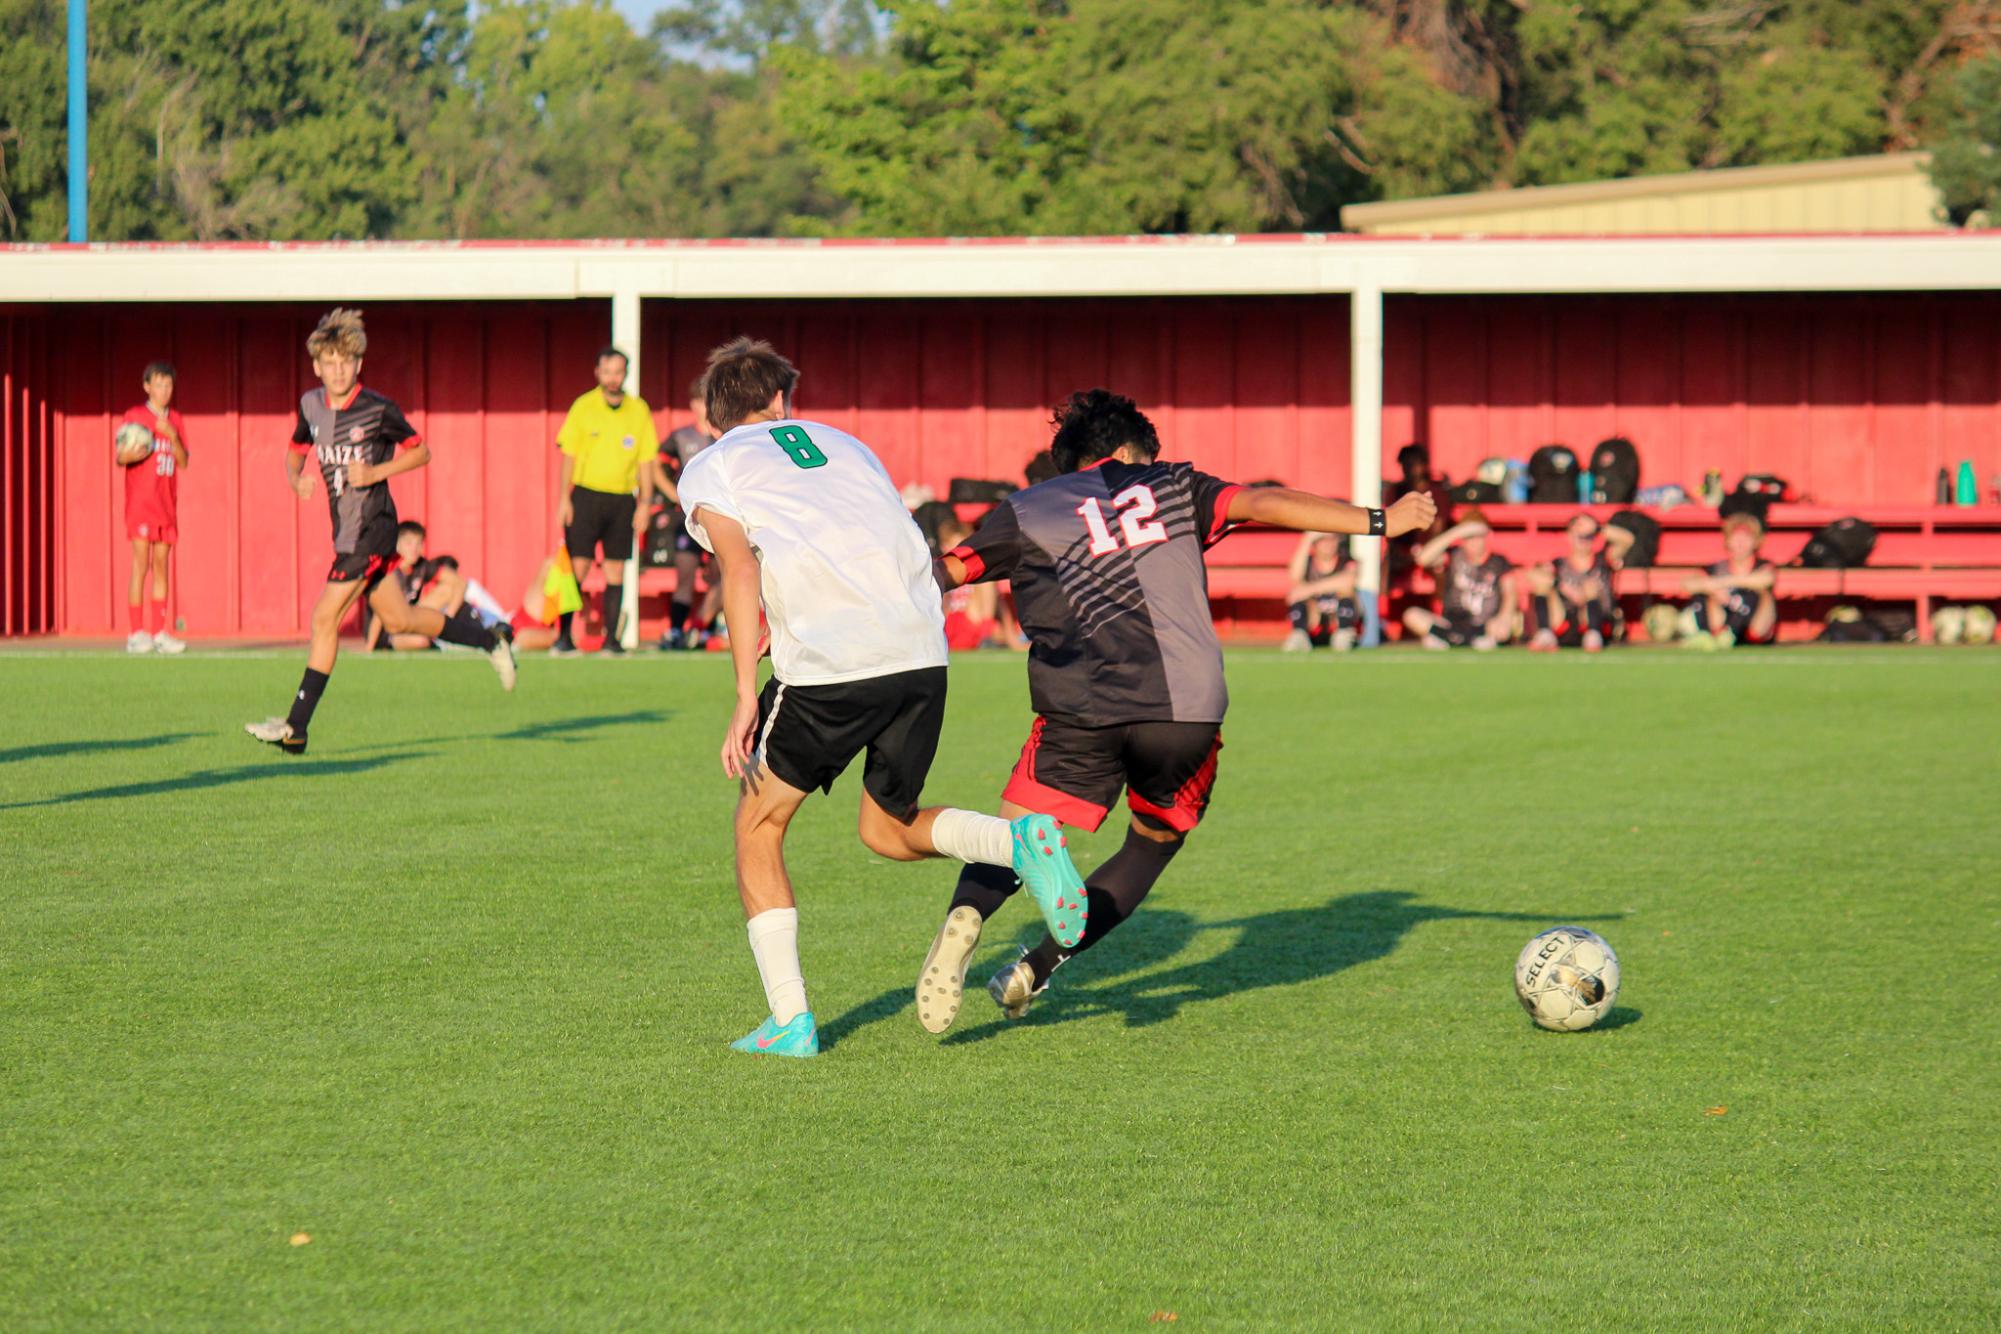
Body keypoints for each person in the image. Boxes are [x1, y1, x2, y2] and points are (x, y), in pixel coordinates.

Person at [919, 389, 1436, 1033]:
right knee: (1154, 841)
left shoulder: (1027, 508)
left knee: (1015, 835)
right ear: (1130, 451)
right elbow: (1264, 501)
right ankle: (1039, 966)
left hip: (1082, 706)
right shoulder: (1174, 484)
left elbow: (942, 573)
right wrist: (1380, 520)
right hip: (1186, 711)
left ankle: (967, 916)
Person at [677, 337, 1089, 1060]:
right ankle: (1016, 842)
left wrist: (744, 691)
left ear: (718, 416)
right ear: (780, 403)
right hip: (920, 650)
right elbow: (880, 544)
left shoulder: (711, 465)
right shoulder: (845, 444)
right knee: (885, 828)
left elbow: (738, 569)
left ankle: (790, 1022)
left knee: (758, 823)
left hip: (834, 664)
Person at [243, 309, 516, 755]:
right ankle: (490, 639)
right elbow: (295, 451)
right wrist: (296, 480)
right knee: (400, 620)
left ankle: (296, 727)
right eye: (329, 362)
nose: (338, 370)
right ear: (317, 366)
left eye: (346, 362)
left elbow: (421, 452)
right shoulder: (310, 405)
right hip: (346, 532)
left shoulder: (377, 408)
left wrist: (375, 472)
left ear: (358, 364)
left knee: (322, 619)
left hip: (372, 528)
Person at [552, 346, 656, 655]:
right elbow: (568, 455)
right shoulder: (583, 406)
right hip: (585, 495)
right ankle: (564, 637)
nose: (613, 378)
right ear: (598, 373)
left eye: (619, 372)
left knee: (615, 569)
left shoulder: (639, 410)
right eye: (607, 371)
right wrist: (563, 499)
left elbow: (646, 461)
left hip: (623, 499)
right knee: (578, 567)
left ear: (626, 373)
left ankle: (612, 640)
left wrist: (645, 503)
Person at [119, 361, 189, 655]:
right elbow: (120, 457)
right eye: (159, 384)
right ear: (147, 386)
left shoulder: (176, 419)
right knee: (141, 564)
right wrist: (132, 450)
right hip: (141, 504)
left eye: (168, 385)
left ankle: (160, 631)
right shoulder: (134, 416)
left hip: (166, 505)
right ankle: (137, 633)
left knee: (162, 566)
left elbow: (184, 462)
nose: (164, 390)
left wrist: (172, 435)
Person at [650, 379, 718, 650]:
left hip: (718, 516)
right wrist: (673, 494)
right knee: (685, 574)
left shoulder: (725, 435)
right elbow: (656, 465)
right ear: (693, 404)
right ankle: (677, 630)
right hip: (687, 518)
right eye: (700, 401)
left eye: (708, 401)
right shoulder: (682, 437)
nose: (704, 407)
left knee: (719, 574)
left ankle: (705, 629)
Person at [1404, 511, 1516, 650]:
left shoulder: (1499, 562)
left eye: (1477, 537)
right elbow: (1423, 559)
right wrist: (1456, 532)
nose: (1473, 542)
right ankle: (1454, 639)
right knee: (1412, 615)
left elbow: (1510, 593)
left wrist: (1504, 617)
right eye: (1468, 537)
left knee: (1508, 625)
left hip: (1484, 625)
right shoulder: (1454, 555)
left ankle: (1451, 640)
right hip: (1451, 623)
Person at [364, 520, 469, 652]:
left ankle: (446, 633)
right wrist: (369, 647)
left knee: (447, 590)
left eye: (418, 543)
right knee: (420, 641)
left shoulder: (422, 566)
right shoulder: (388, 570)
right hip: (386, 629)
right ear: (397, 545)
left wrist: (449, 621)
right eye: (408, 543)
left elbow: (460, 583)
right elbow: (379, 614)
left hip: (407, 620)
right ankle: (436, 641)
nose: (414, 548)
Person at [1681, 513, 1777, 649]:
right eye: (1736, 537)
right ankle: (1711, 635)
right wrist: (1713, 589)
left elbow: (1766, 579)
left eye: (1746, 538)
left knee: (1754, 594)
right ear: (1727, 540)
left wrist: (1725, 582)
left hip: (1754, 626)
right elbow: (1688, 584)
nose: (1740, 543)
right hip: (1722, 617)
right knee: (1703, 593)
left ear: (1756, 541)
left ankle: (1733, 634)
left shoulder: (1762, 566)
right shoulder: (1717, 567)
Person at [1527, 512, 1615, 652]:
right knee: (1543, 584)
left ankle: (1593, 634)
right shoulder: (1559, 564)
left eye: (1589, 535)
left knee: (1590, 586)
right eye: (1580, 534)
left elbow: (1627, 540)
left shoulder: (1603, 559)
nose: (1585, 539)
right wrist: (1560, 585)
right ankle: (1545, 633)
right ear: (1570, 535)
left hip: (1595, 620)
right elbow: (1532, 575)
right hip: (1564, 620)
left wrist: (1598, 528)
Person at [1282, 532, 1358, 652]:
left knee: (1347, 592)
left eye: (1332, 539)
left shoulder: (1346, 560)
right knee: (1297, 593)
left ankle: (1344, 634)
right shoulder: (1308, 563)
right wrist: (1306, 540)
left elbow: (1348, 580)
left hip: (1339, 618)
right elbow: (1294, 577)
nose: (1328, 544)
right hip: (1314, 619)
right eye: (1323, 540)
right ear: (1315, 543)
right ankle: (1300, 634)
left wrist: (1309, 589)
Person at [936, 516, 1004, 649]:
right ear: (944, 546)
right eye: (954, 545)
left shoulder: (974, 566)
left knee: (985, 578)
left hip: (973, 621)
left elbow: (998, 603)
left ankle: (987, 635)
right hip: (948, 621)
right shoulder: (940, 566)